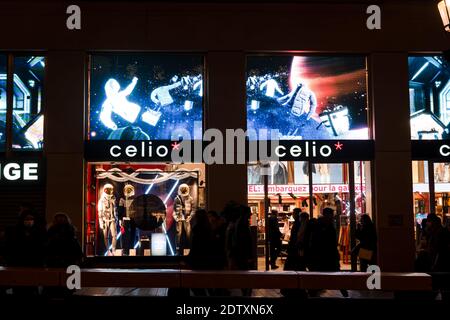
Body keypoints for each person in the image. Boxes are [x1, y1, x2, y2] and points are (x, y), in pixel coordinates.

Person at [4, 210, 47, 295]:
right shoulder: (14, 231)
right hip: (17, 262)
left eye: (31, 219)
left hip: (34, 263)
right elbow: (9, 245)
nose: (29, 221)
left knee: (32, 285)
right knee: (18, 286)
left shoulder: (40, 231)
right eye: (27, 219)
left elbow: (43, 246)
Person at [188, 209, 213, 296]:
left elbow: (194, 245)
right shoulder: (209, 228)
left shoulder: (197, 228)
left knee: (196, 284)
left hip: (197, 259)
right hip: (206, 259)